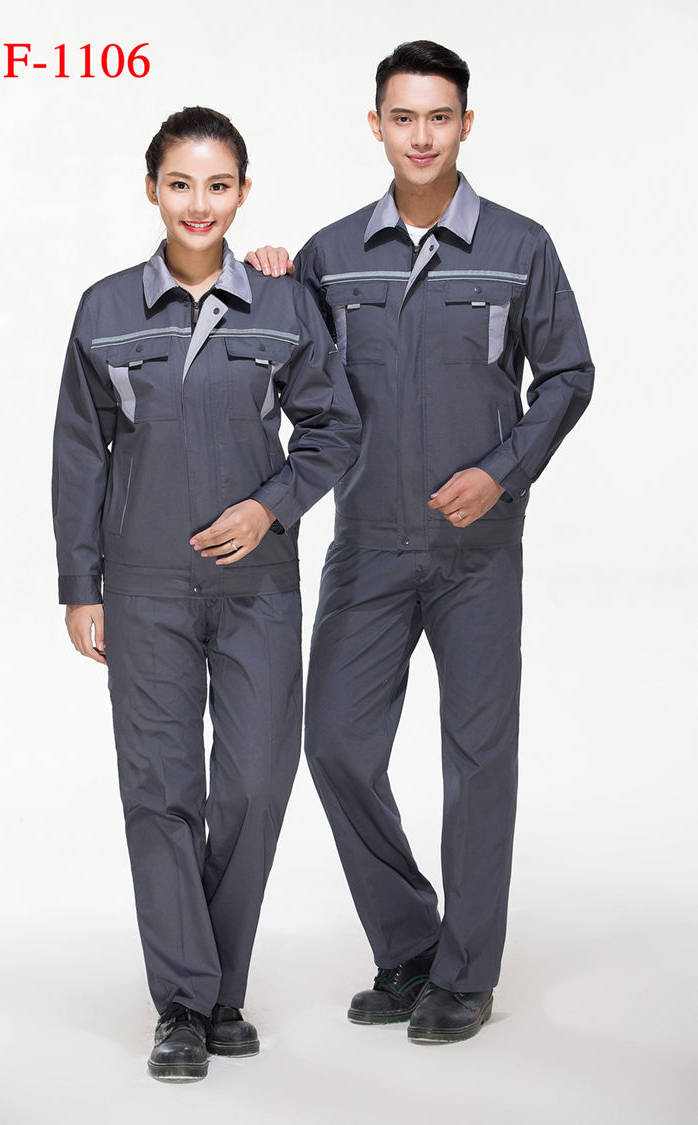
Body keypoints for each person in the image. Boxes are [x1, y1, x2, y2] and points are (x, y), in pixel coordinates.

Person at [248, 40, 594, 1044]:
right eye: (403, 117)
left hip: (477, 549)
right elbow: (282, 369)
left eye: (440, 117)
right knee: (335, 743)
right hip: (367, 540)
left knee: (478, 760)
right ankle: (409, 944)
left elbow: (567, 375)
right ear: (377, 126)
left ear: (466, 125)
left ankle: (466, 974)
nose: (422, 135)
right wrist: (265, 277)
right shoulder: (331, 254)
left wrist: (503, 471)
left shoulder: (520, 247)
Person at [52, 105, 361, 1082]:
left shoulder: (283, 303)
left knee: (257, 780)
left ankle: (215, 978)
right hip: (143, 585)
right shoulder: (105, 309)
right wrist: (80, 584)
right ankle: (189, 1004)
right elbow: (79, 453)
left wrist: (271, 507)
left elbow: (333, 431)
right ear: (152, 189)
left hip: (255, 583)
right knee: (161, 789)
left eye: (218, 185)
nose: (199, 203)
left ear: (243, 192)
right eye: (180, 184)